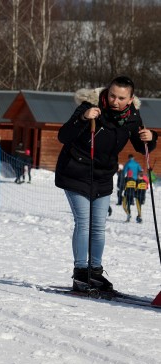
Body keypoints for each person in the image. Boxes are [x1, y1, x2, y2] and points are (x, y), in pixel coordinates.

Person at [55, 75, 157, 292]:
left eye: (121, 98)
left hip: (102, 175)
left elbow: (141, 146)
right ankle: (81, 272)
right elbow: (63, 136)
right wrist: (83, 117)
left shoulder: (132, 116)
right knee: (84, 222)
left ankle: (95, 272)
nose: (115, 101)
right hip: (75, 170)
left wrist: (151, 137)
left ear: (130, 100)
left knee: (99, 227)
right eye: (112, 95)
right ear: (107, 92)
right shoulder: (90, 106)